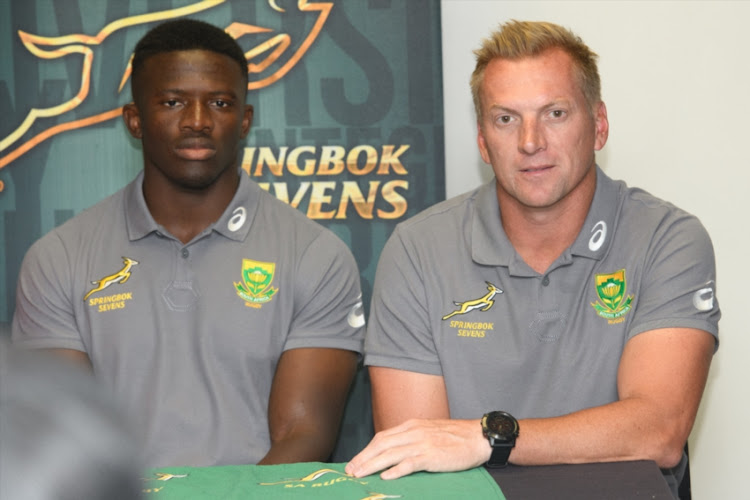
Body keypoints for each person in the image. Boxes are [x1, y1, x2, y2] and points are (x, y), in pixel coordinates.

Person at [346, 20, 719, 497]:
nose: (530, 141)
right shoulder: (417, 249)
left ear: (599, 125)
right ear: (483, 141)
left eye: (555, 113)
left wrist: (490, 439)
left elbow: (660, 430)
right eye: (506, 119)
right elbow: (414, 457)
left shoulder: (668, 239)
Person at [12, 19, 365, 469]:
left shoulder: (317, 256)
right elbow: (69, 431)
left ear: (244, 121)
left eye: (219, 103)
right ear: (134, 120)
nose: (197, 121)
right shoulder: (57, 258)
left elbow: (304, 434)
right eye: (173, 101)